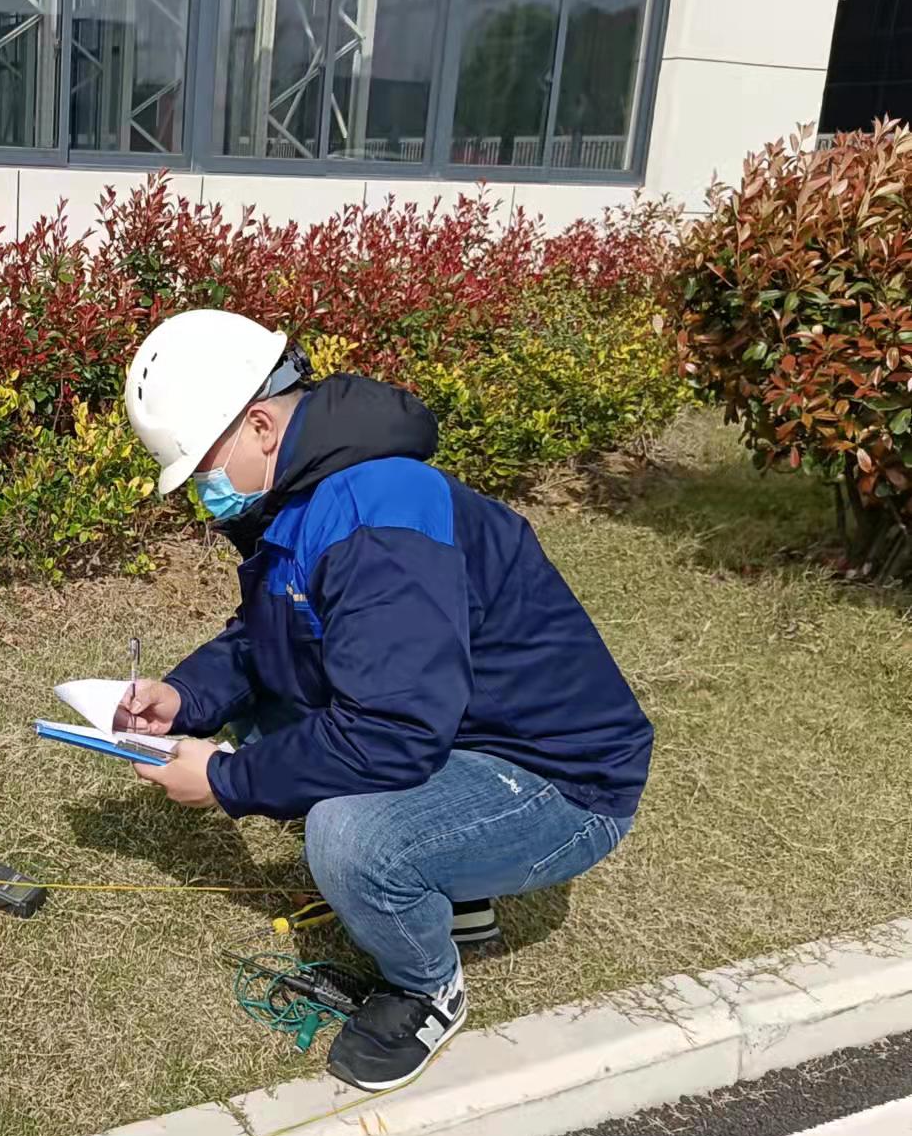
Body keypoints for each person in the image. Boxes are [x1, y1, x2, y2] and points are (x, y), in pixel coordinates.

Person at [115, 310, 653, 1090]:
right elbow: (269, 634)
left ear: (261, 425)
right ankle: (453, 886)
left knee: (347, 837)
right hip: (462, 734)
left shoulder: (378, 507)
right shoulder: (306, 495)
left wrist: (228, 779)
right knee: (269, 718)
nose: (202, 490)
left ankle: (429, 985)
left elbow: (392, 732)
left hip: (559, 784)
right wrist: (182, 696)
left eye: (202, 465)